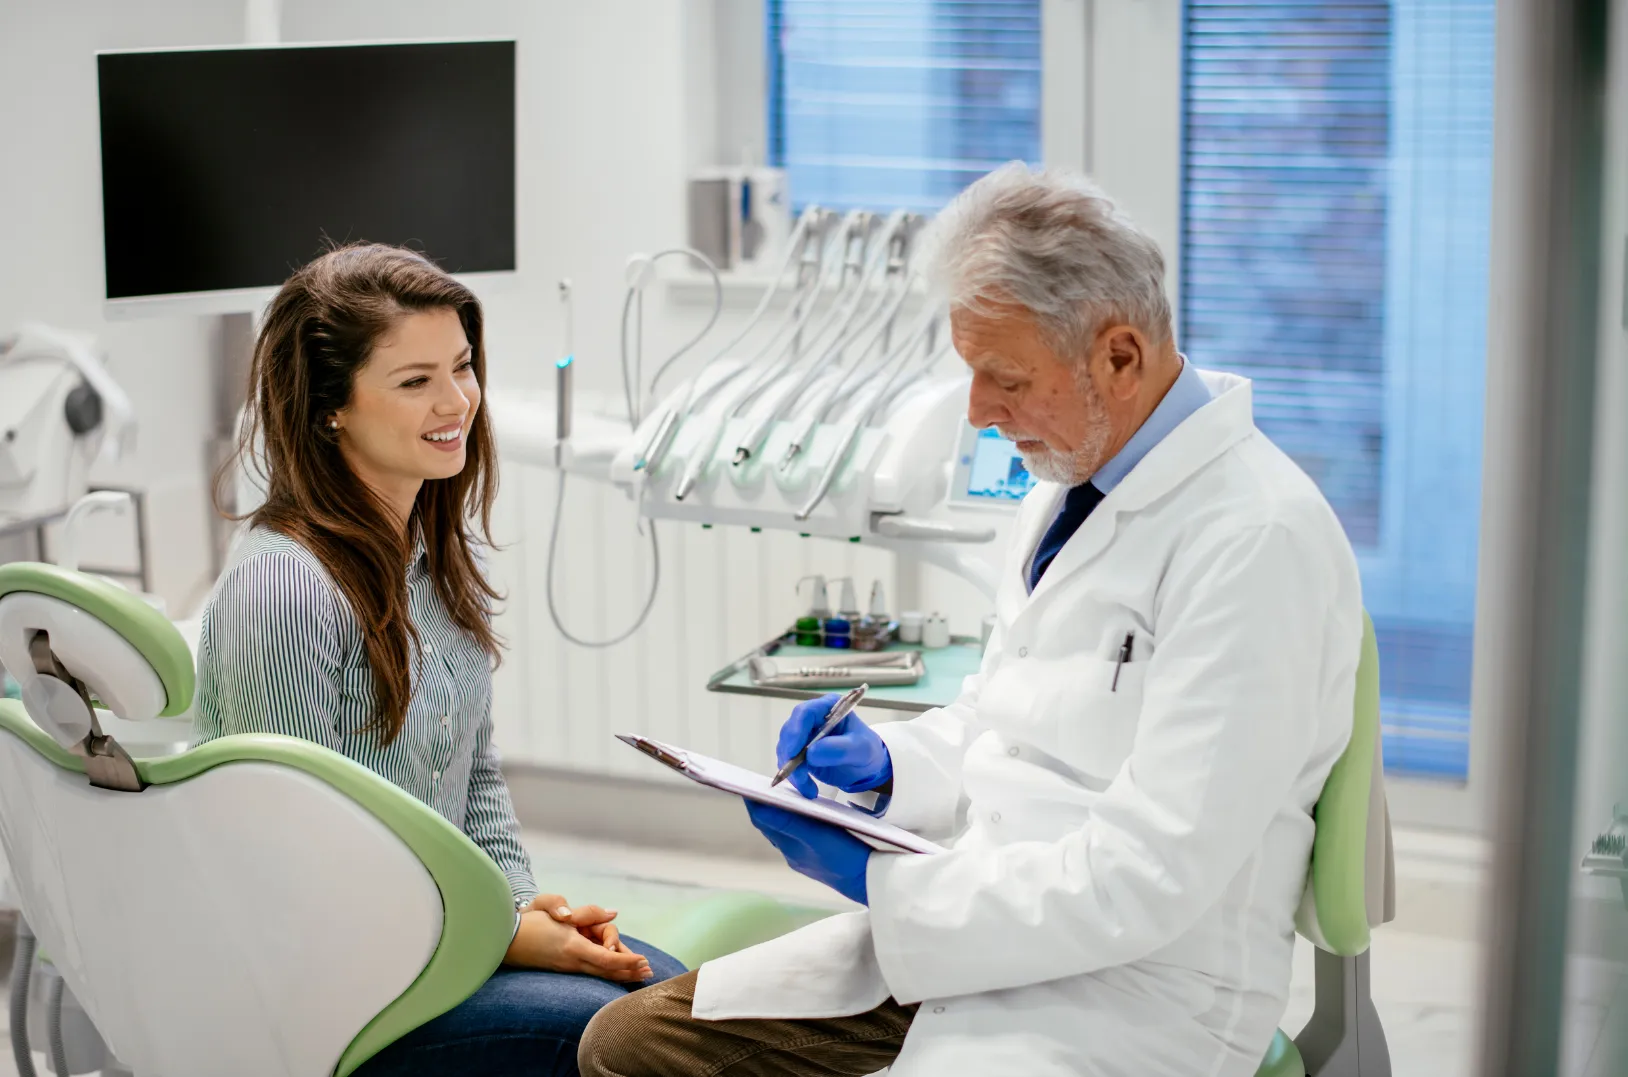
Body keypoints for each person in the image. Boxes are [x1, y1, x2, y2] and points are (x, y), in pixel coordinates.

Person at [578, 164, 1363, 1076]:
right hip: (976, 936)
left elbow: (1154, 876)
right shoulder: (1072, 483)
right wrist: (891, 768)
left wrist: (884, 883)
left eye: (1006, 380)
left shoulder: (1256, 538)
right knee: (631, 1047)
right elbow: (1004, 721)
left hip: (1133, 990)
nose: (982, 416)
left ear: (1119, 354)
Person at [194, 243, 686, 1076]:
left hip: (434, 949)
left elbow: (474, 777)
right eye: (414, 380)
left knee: (678, 1001)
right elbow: (299, 874)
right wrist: (506, 936)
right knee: (658, 1035)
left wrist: (530, 907)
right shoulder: (285, 594)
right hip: (339, 1003)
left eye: (462, 366)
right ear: (329, 407)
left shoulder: (424, 557)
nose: (457, 399)